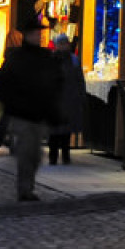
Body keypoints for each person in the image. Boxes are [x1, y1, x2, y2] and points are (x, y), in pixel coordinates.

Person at [0, 18, 63, 202]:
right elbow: (4, 84)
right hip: (22, 114)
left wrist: (53, 109)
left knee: (36, 154)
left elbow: (54, 83)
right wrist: (12, 105)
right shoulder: (16, 57)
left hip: (39, 113)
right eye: (35, 33)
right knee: (27, 151)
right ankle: (25, 189)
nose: (38, 37)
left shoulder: (46, 56)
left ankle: (27, 185)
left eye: (39, 34)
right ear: (26, 35)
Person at [49, 33, 86, 165]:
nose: (63, 46)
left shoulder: (74, 60)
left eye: (65, 43)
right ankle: (53, 156)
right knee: (54, 130)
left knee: (66, 130)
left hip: (69, 98)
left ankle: (65, 155)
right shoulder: (52, 60)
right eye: (61, 44)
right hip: (56, 100)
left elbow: (79, 80)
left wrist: (81, 95)